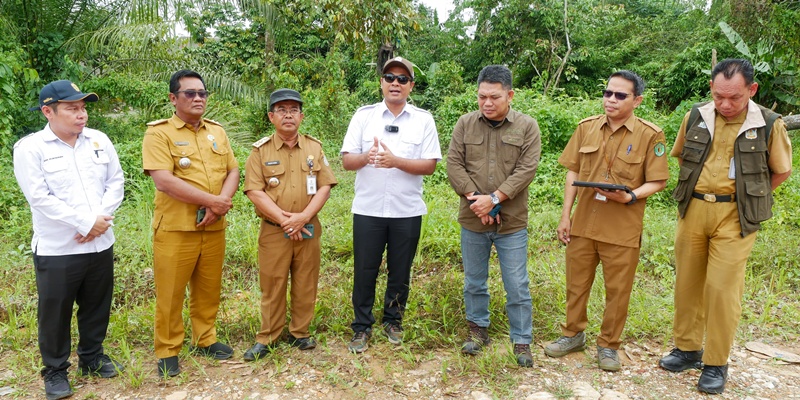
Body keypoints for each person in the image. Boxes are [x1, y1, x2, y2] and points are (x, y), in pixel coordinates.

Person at [659, 59, 792, 394]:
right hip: (694, 209)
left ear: (752, 89)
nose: (726, 104)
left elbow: (781, 170)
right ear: (711, 90)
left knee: (721, 290)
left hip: (735, 217)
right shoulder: (696, 116)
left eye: (734, 97)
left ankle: (716, 362)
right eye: (719, 96)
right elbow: (680, 156)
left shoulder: (768, 123)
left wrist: (745, 200)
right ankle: (688, 349)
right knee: (687, 283)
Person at [545, 71, 669, 371]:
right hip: (584, 223)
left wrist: (631, 196)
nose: (610, 99)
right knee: (576, 284)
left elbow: (658, 181)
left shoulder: (650, 135)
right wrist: (565, 216)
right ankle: (572, 334)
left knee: (618, 291)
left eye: (620, 95)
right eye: (607, 93)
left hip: (622, 227)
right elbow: (572, 171)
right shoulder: (586, 128)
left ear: (637, 100)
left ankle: (608, 345)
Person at [13, 80, 125, 400]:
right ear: (48, 111)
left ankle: (91, 358)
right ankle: (55, 371)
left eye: (84, 108)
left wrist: (99, 222)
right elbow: (39, 197)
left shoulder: (98, 140)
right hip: (58, 249)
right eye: (72, 108)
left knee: (96, 305)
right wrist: (85, 222)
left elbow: (115, 182)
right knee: (56, 312)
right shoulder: (31, 148)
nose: (82, 115)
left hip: (100, 242)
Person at [142, 70, 240, 377]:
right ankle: (168, 349)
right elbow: (163, 180)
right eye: (190, 93)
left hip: (213, 225)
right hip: (176, 228)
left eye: (202, 93)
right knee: (171, 292)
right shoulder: (159, 133)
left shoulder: (217, 132)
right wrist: (213, 202)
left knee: (208, 288)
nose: (198, 98)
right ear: (173, 98)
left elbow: (233, 170)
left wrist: (221, 202)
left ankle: (205, 338)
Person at [340, 56, 442, 353]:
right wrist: (368, 156)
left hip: (406, 210)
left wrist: (395, 161)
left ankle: (393, 321)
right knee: (365, 269)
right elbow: (347, 161)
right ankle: (361, 327)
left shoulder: (423, 119)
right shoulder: (364, 116)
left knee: (400, 270)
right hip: (368, 209)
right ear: (381, 83)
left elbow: (430, 165)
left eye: (402, 79)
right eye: (389, 77)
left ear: (411, 85)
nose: (395, 83)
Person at [446, 65, 541, 367]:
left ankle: (522, 340)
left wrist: (495, 200)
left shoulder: (527, 127)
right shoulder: (464, 124)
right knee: (474, 281)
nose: (487, 103)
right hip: (473, 218)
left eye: (495, 97)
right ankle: (478, 331)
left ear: (510, 95)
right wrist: (478, 201)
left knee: (516, 282)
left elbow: (526, 170)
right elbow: (454, 165)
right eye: (482, 96)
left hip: (511, 223)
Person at [242, 89, 337, 360]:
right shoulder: (260, 151)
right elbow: (254, 191)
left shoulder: (314, 148)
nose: (288, 114)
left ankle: (300, 333)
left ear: (302, 116)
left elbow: (325, 186)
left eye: (293, 110)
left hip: (308, 228)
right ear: (271, 116)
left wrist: (303, 217)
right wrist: (286, 221)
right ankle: (267, 336)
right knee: (272, 283)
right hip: (275, 231)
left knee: (306, 281)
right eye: (281, 109)